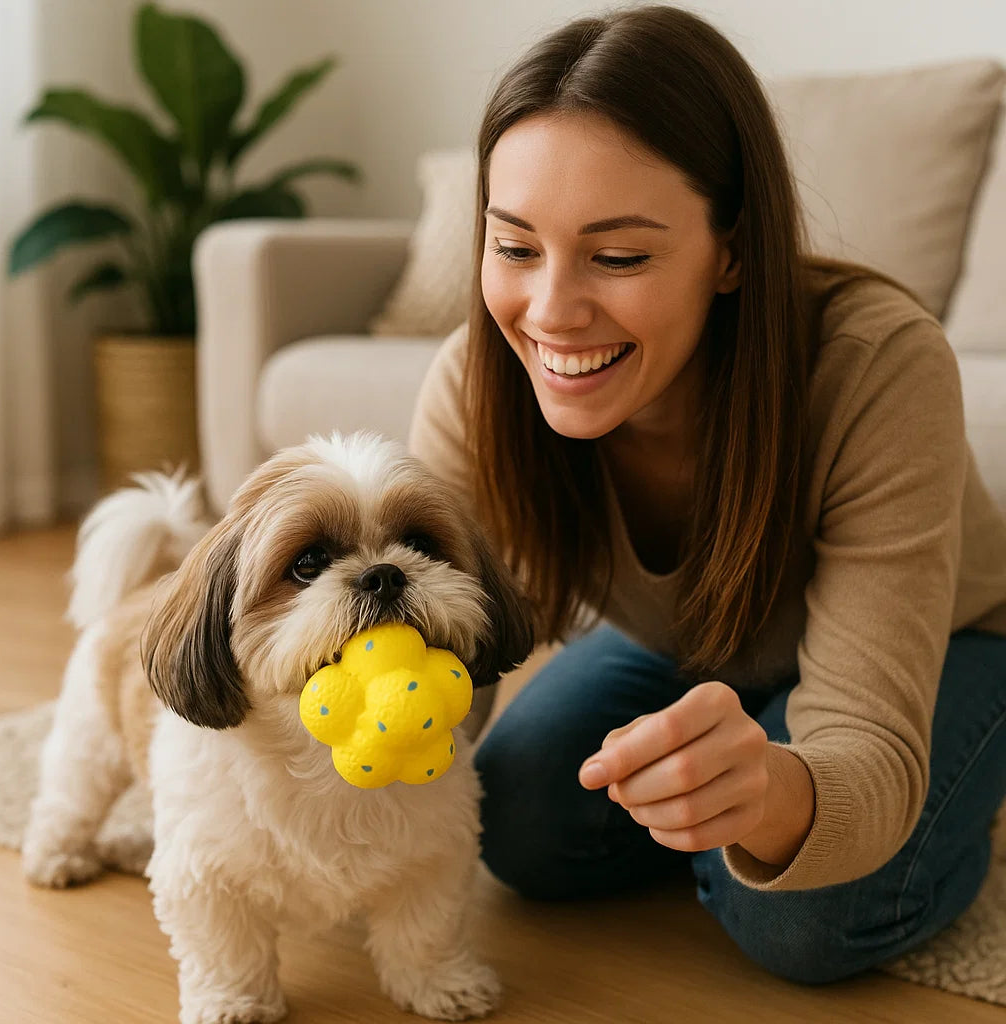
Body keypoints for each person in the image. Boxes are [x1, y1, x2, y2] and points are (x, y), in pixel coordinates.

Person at [407, 4, 1006, 984]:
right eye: (514, 247)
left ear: (731, 248)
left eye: (618, 255)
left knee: (803, 918)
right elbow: (438, 674)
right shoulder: (473, 388)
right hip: (691, 642)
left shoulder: (875, 366)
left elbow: (860, 746)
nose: (550, 310)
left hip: (954, 637)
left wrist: (776, 788)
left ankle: (963, 804)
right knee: (513, 820)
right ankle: (746, 763)